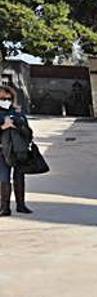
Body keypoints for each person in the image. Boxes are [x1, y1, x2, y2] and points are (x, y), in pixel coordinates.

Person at [0, 85, 33, 215]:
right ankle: (4, 207)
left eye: (8, 98)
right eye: (2, 98)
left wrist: (18, 124)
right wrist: (3, 126)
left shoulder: (17, 113)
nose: (5, 101)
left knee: (19, 177)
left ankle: (21, 205)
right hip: (2, 151)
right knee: (4, 177)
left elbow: (29, 133)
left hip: (19, 151)